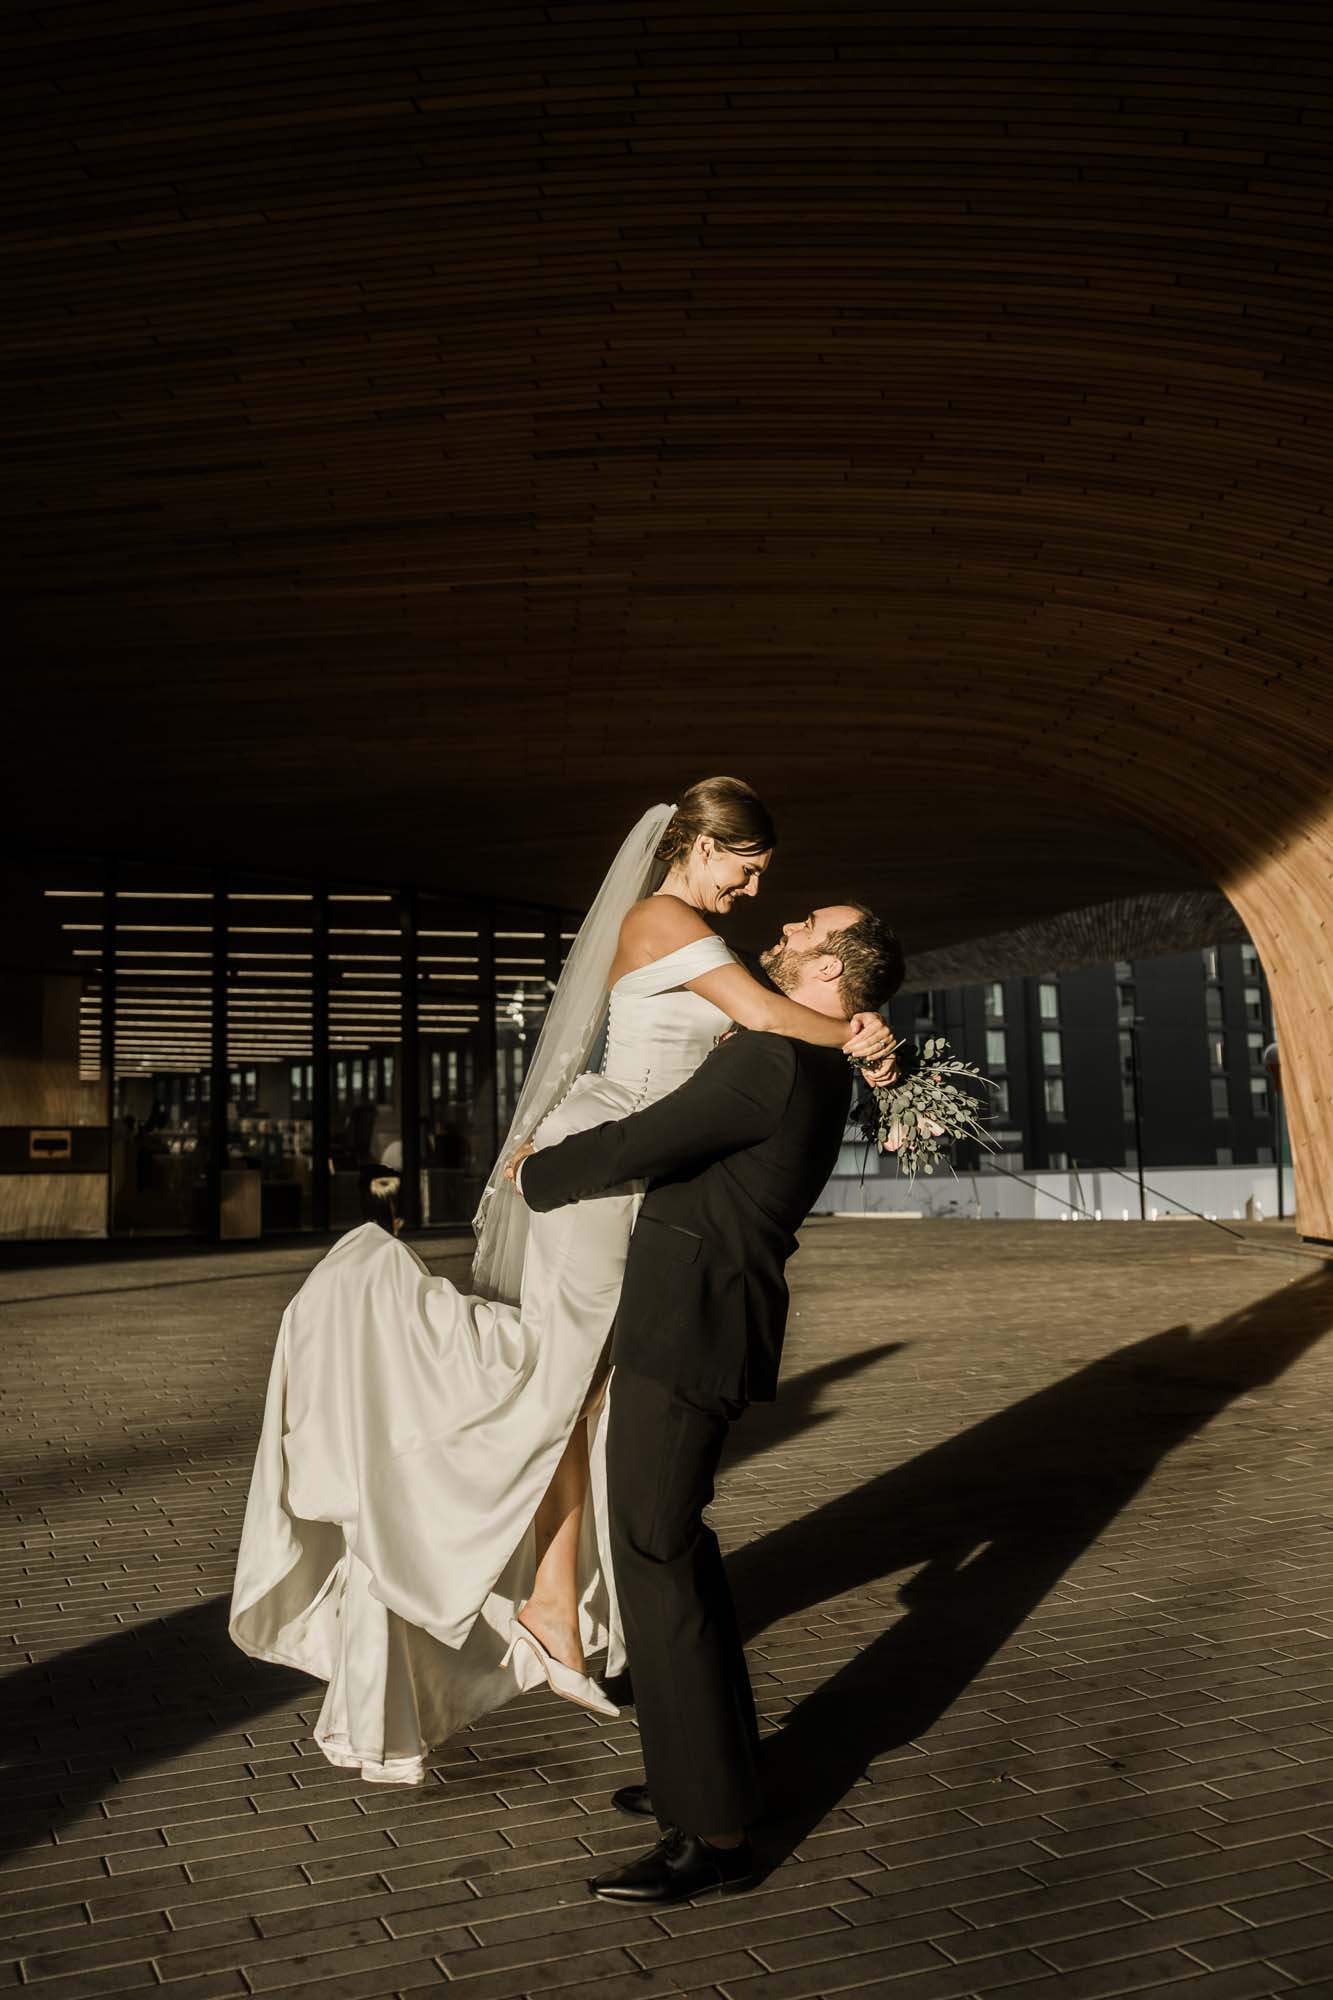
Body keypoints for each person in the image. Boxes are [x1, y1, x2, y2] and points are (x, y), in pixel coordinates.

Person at [229, 779, 898, 1782]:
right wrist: (865, 1040)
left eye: (762, 873)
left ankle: (551, 1607)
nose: (756, 888)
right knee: (555, 1382)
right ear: (693, 845)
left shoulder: (692, 928)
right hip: (599, 1169)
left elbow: (748, 1037)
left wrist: (873, 1049)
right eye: (745, 863)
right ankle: (378, 1338)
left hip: (631, 1174)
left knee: (582, 1393)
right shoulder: (663, 914)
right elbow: (764, 1013)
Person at [512, 901, 905, 1904]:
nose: (782, 928)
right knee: (672, 1546)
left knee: (651, 1547)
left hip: (689, 1327)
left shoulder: (772, 1061)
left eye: (804, 931)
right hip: (702, 1321)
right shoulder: (803, 1058)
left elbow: (648, 1138)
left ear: (833, 970)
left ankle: (715, 1836)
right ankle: (711, 1773)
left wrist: (533, 1175)